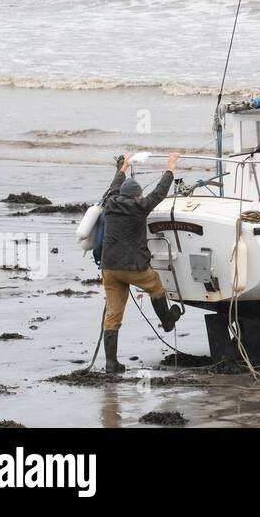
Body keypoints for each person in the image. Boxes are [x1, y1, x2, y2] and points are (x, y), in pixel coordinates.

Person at [99, 151, 183, 373]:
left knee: (113, 314)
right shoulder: (140, 207)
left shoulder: (109, 202)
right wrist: (171, 166)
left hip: (109, 268)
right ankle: (167, 322)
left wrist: (123, 167)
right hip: (133, 267)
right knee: (155, 286)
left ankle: (111, 363)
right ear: (136, 196)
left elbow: (113, 186)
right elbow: (160, 192)